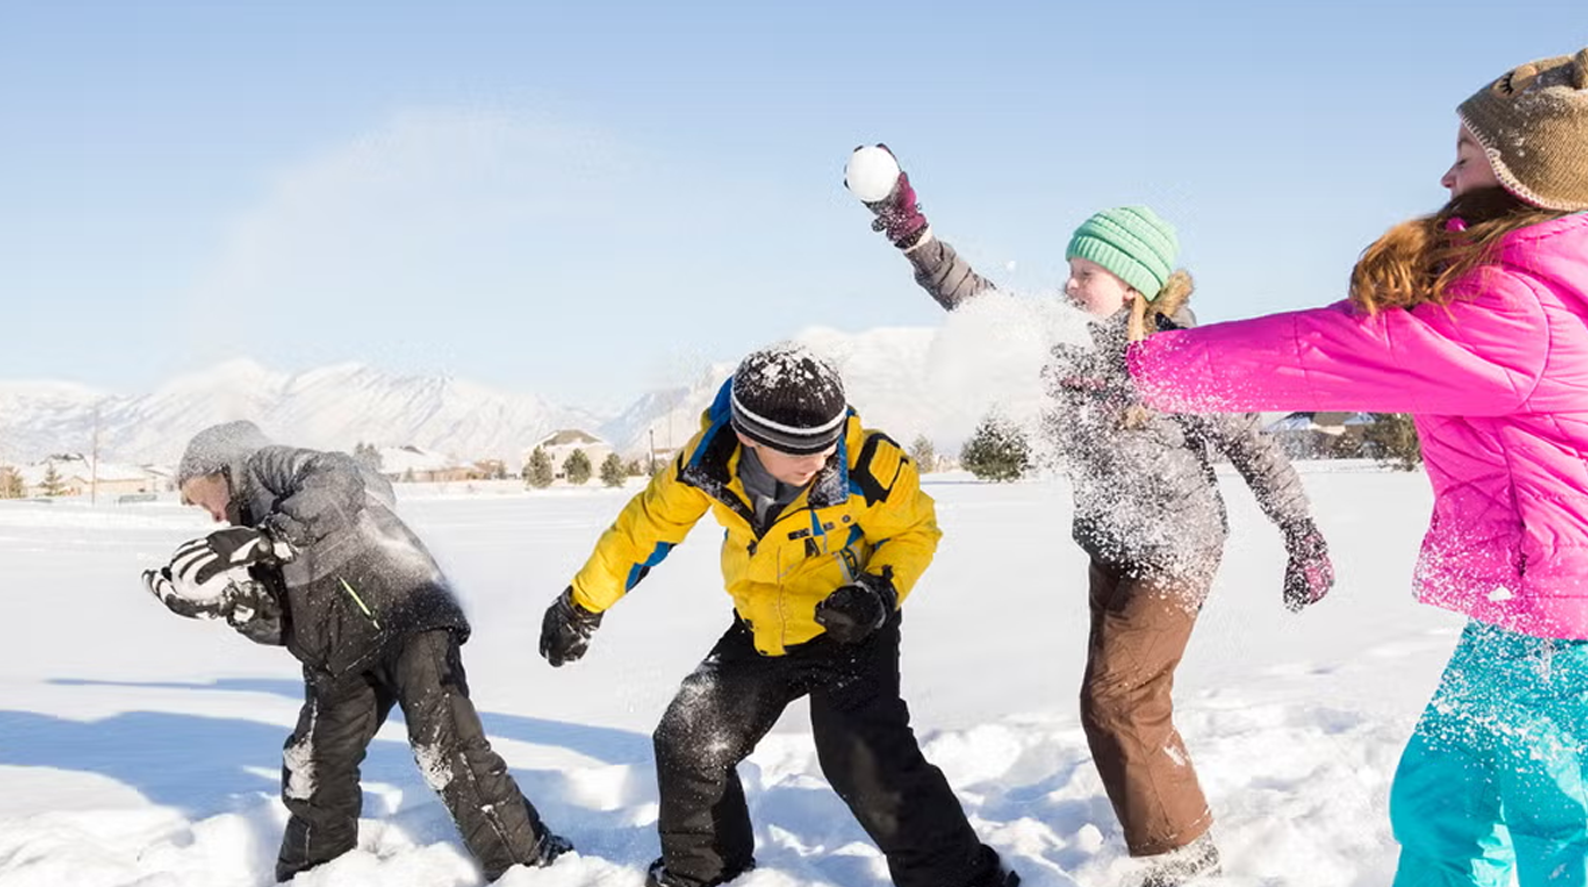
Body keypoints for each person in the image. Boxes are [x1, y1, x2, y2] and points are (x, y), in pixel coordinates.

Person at [1124, 46, 1588, 886]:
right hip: (1525, 601)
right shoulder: (1511, 285)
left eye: (1464, 156)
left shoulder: (1521, 308)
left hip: (1580, 615)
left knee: (1571, 833)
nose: (1446, 176)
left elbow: (1332, 350)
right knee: (1441, 800)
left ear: (1519, 179)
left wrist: (1154, 365)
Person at [851, 147, 1335, 884]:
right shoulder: (1057, 341)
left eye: (1087, 273)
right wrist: (914, 234)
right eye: (1070, 270)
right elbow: (975, 300)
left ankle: (1181, 854)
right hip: (1111, 545)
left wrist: (1301, 535)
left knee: (1117, 699)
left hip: (1178, 547)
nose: (1069, 284)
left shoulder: (1180, 361)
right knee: (1122, 701)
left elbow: (1256, 449)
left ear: (1134, 286)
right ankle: (1171, 827)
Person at [539, 343, 1019, 887]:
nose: (819, 463)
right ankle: (708, 871)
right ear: (748, 437)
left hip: (852, 627)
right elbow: (643, 530)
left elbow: (915, 530)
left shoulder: (866, 463)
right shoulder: (706, 464)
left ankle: (963, 879)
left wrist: (877, 592)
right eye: (800, 454)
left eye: (826, 445)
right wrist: (582, 602)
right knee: (688, 740)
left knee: (863, 761)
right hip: (764, 627)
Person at [142, 420, 571, 883]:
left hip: (407, 611)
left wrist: (269, 539)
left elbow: (341, 474)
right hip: (340, 651)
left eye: (200, 499)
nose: (211, 517)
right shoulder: (253, 530)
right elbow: (288, 621)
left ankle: (531, 864)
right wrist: (234, 605)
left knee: (444, 747)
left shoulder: (268, 467)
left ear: (219, 470)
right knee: (314, 763)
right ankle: (313, 873)